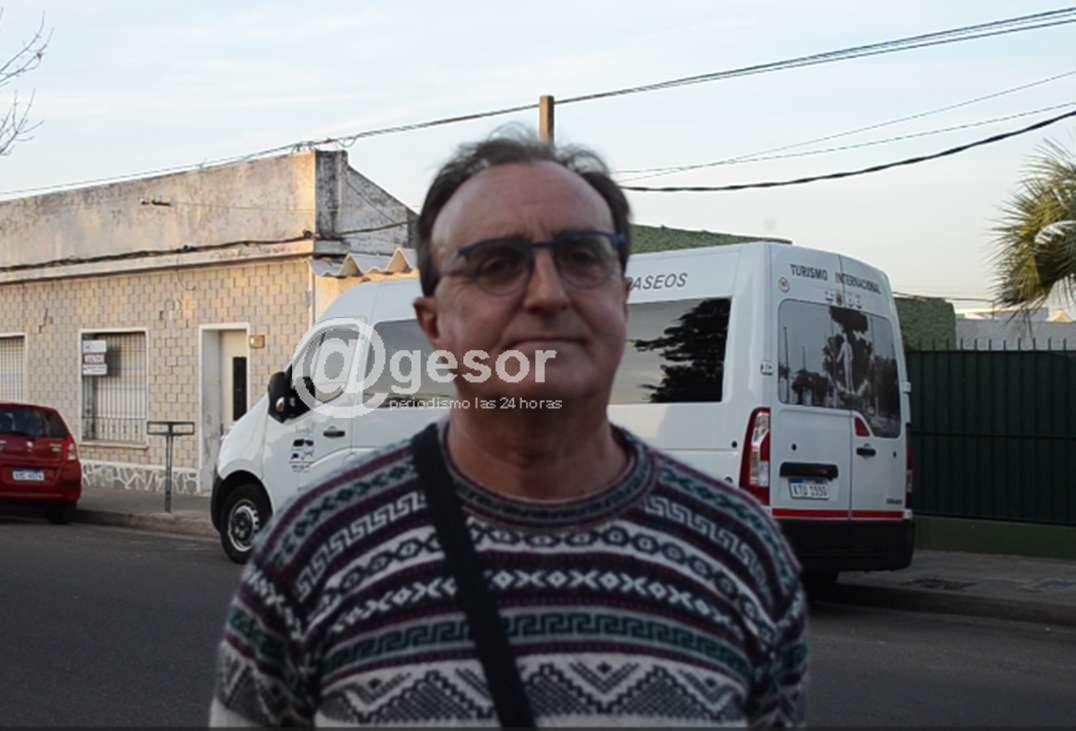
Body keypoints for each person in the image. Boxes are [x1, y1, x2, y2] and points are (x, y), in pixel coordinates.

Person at [210, 130, 807, 727]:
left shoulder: (744, 555)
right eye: (497, 265)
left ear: (623, 302)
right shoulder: (309, 553)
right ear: (433, 325)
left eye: (582, 257)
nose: (548, 294)